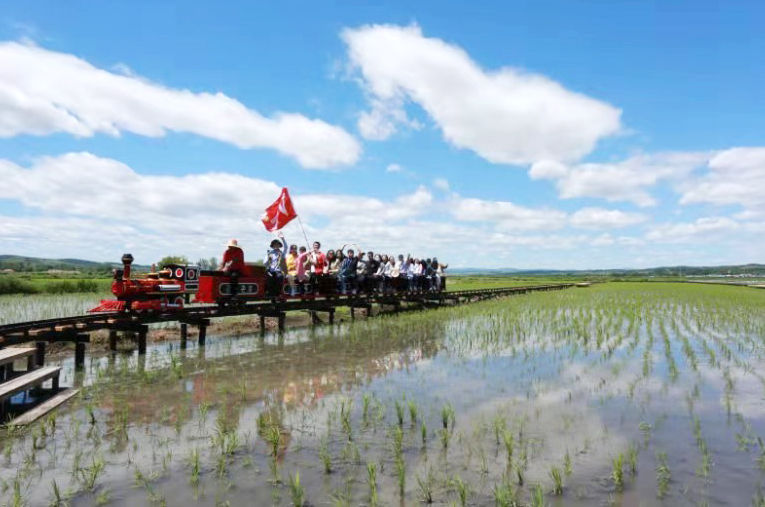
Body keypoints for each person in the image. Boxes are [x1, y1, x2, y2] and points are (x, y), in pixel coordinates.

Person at [264, 233, 288, 299]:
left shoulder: (281, 253)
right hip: (270, 270)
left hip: (278, 270)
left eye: (277, 244)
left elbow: (286, 247)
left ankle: (278, 293)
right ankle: (269, 293)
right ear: (273, 246)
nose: (276, 246)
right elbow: (265, 263)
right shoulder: (269, 253)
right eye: (275, 244)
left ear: (279, 245)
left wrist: (283, 238)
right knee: (269, 277)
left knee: (280, 277)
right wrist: (268, 261)